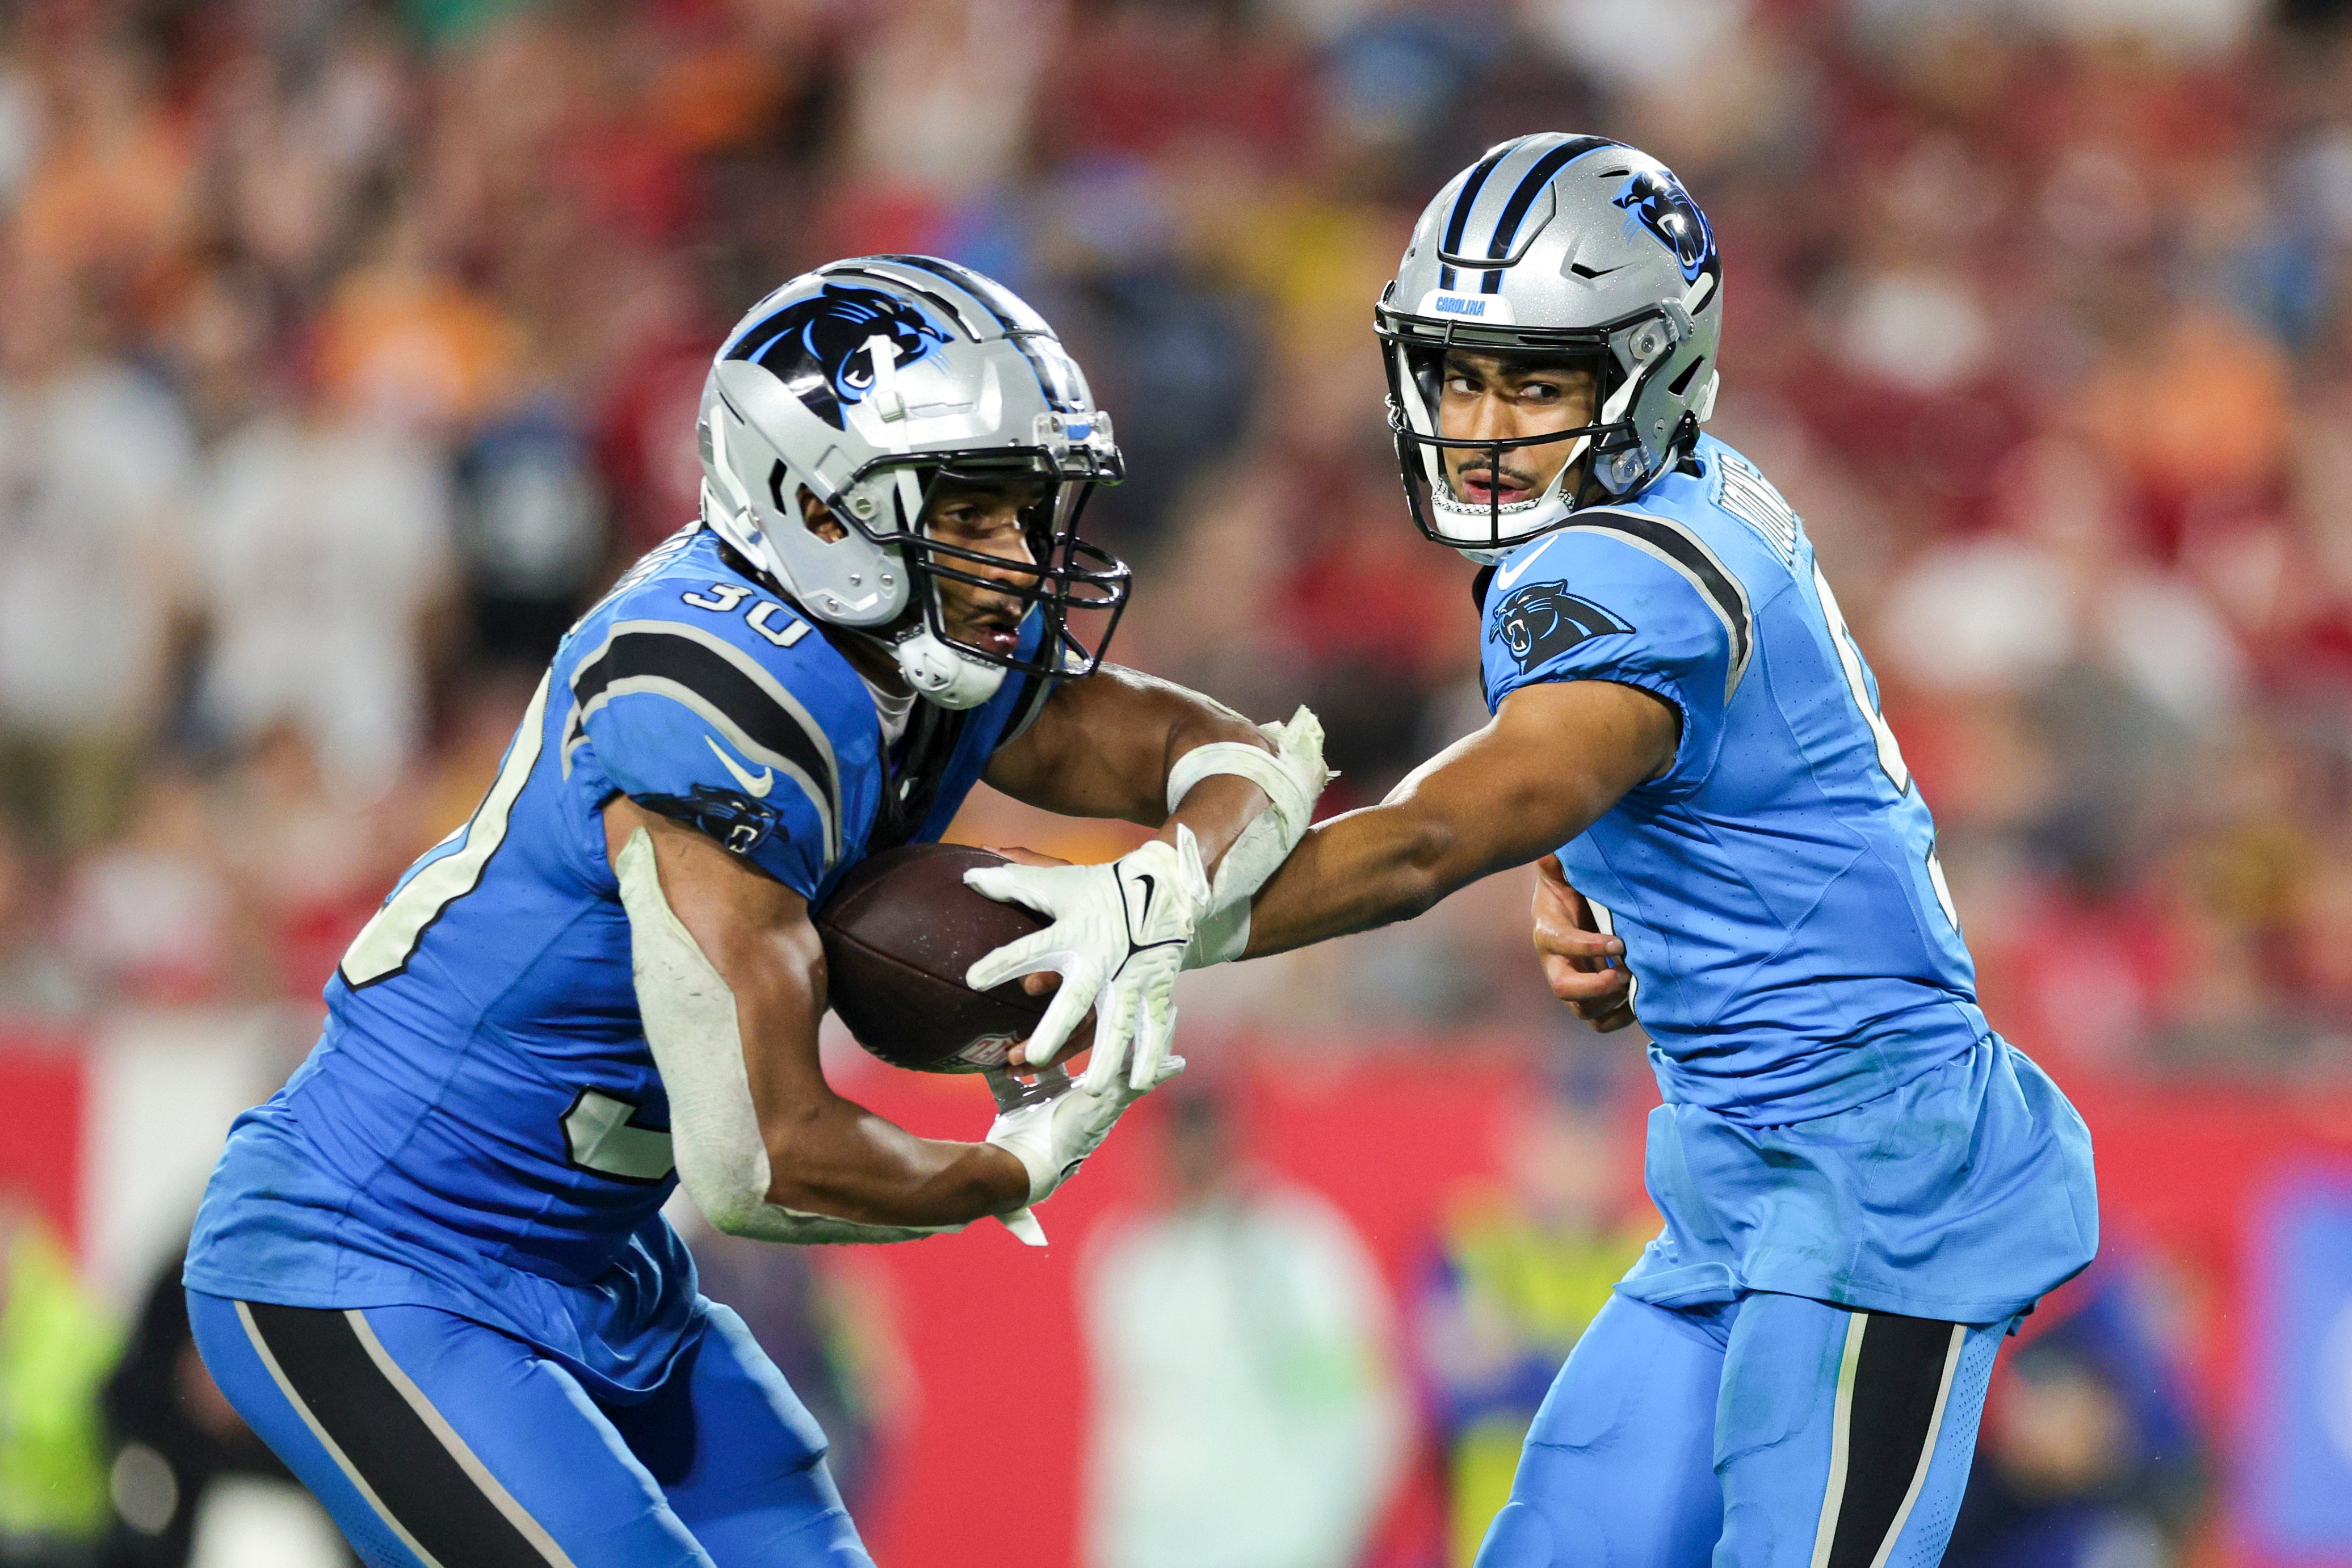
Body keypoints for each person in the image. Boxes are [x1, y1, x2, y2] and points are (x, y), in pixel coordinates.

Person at [972, 137, 2098, 1568]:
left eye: (1535, 381)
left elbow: (1432, 834)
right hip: (1734, 1184)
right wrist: (1601, 877)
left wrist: (1157, 913)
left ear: (1645, 373)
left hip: (1886, 1197)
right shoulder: (1672, 497)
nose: (1483, 421)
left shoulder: (1634, 568)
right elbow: (1694, 776)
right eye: (1458, 373)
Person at [182, 257, 1332, 1568]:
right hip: (378, 1252)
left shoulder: (908, 654)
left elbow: (1229, 759)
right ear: (820, 509)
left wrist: (1154, 885)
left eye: (1030, 514)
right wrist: (1005, 1163)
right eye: (976, 514)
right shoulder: (713, 692)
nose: (1022, 561)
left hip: (600, 1270)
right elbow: (760, 1159)